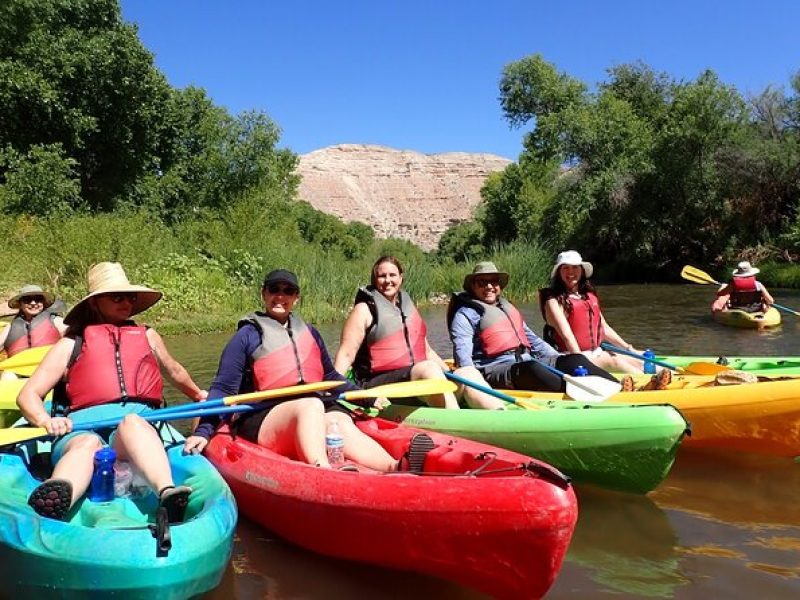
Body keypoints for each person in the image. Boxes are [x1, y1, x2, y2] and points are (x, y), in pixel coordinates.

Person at [184, 269, 434, 471]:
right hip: (262, 415)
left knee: (338, 421)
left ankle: (395, 466)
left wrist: (366, 396)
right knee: (311, 406)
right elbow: (223, 388)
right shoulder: (247, 336)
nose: (280, 296)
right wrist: (205, 431)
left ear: (296, 298)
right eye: (274, 290)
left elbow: (329, 378)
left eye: (288, 291)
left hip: (310, 407)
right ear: (264, 294)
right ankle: (322, 469)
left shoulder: (310, 333)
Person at [17, 262, 208, 522]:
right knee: (87, 444)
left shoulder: (148, 335)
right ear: (95, 303)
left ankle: (167, 493)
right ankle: (57, 497)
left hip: (133, 430)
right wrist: (45, 420)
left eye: (130, 297)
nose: (126, 302)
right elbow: (28, 395)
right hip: (80, 429)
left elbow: (174, 371)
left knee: (133, 424)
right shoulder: (71, 343)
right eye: (117, 297)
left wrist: (198, 395)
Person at [448, 261, 622, 398]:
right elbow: (463, 353)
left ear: (499, 285)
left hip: (524, 360)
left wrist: (559, 358)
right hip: (493, 370)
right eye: (482, 282)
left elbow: (532, 340)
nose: (489, 287)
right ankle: (584, 393)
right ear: (472, 286)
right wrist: (473, 384)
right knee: (531, 368)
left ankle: (619, 389)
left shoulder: (506, 308)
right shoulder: (466, 315)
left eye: (493, 282)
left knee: (573, 359)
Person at [333, 256, 460, 409]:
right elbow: (346, 354)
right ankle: (457, 420)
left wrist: (450, 372)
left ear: (401, 278)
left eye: (392, 275)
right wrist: (335, 387)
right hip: (378, 384)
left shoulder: (407, 307)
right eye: (382, 276)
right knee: (429, 368)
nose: (387, 280)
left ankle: (495, 412)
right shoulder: (364, 310)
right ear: (375, 280)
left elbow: (427, 351)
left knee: (466, 373)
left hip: (415, 378)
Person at [540, 251, 644, 374]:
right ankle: (649, 385)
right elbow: (567, 336)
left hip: (595, 353)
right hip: (568, 356)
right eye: (565, 268)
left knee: (638, 361)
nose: (570, 272)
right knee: (614, 362)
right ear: (559, 272)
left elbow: (603, 328)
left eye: (575, 267)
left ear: (582, 270)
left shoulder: (587, 296)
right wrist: (580, 362)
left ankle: (665, 376)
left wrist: (629, 349)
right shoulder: (553, 300)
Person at [0, 284, 67, 375]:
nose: (33, 303)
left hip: (51, 370)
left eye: (38, 299)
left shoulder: (56, 321)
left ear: (43, 302)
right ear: (20, 304)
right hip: (18, 371)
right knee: (7, 376)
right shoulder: (10, 327)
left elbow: (73, 341)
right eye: (27, 300)